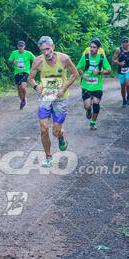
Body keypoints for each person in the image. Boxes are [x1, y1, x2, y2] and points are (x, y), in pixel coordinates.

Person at [28, 36, 78, 167]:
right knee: (44, 129)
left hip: (61, 98)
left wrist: (63, 88)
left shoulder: (64, 59)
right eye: (43, 50)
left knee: (55, 131)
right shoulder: (37, 61)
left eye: (48, 49)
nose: (46, 53)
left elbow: (75, 74)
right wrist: (36, 87)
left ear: (53, 47)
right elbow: (30, 79)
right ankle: (48, 156)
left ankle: (61, 136)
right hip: (45, 97)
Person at [77, 38, 112, 130]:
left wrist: (99, 72)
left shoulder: (101, 58)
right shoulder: (85, 57)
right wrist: (82, 74)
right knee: (87, 106)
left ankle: (93, 123)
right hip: (86, 86)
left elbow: (109, 70)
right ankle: (88, 110)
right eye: (91, 47)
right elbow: (78, 68)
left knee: (96, 103)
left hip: (97, 86)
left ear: (98, 48)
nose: (92, 49)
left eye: (94, 47)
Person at [112, 37, 129, 107]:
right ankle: (124, 100)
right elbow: (113, 59)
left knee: (127, 84)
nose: (125, 43)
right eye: (123, 42)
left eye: (126, 42)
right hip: (121, 71)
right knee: (122, 86)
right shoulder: (118, 50)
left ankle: (128, 97)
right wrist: (119, 63)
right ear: (122, 43)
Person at [8, 41, 35, 109]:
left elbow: (35, 60)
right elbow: (9, 61)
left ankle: (24, 98)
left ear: (24, 47)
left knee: (23, 86)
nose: (20, 47)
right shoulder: (14, 53)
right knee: (19, 89)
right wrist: (12, 62)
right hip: (17, 73)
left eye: (22, 46)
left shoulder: (28, 53)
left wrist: (34, 68)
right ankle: (22, 101)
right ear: (17, 46)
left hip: (25, 72)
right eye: (19, 46)